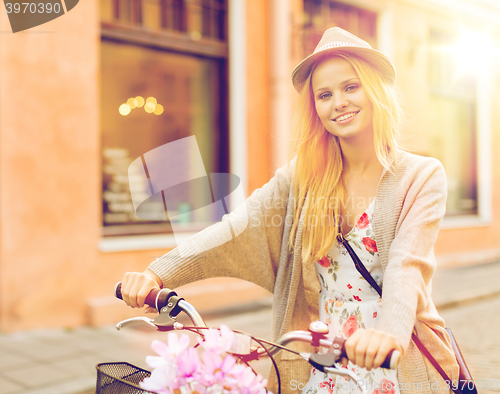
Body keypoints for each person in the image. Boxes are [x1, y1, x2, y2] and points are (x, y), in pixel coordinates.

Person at [120, 27, 460, 394]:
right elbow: (237, 227)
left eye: (351, 87)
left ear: (375, 90)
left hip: (394, 358)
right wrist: (157, 273)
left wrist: (388, 336)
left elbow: (407, 267)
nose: (339, 102)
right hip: (325, 364)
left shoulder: (421, 176)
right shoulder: (304, 176)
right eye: (325, 95)